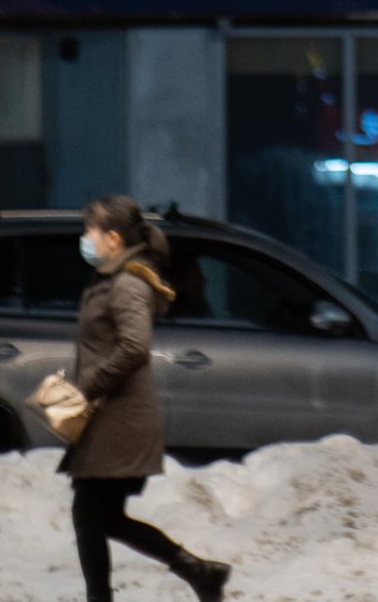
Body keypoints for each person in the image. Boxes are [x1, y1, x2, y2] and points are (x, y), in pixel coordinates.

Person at [63, 195, 231, 602]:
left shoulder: (127, 284)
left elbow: (135, 347)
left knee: (91, 513)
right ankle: (200, 573)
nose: (86, 238)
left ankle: (110, 595)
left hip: (120, 419)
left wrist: (88, 386)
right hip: (107, 416)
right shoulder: (111, 278)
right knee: (102, 516)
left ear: (114, 238)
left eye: (91, 231)